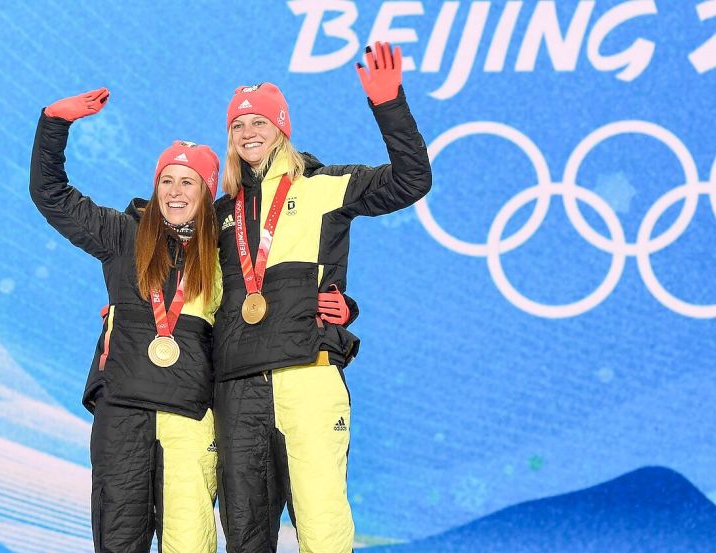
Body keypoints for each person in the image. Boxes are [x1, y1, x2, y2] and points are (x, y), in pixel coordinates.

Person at [213, 42, 432, 551]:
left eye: (259, 123)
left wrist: (389, 104)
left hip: (307, 376)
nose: (249, 133)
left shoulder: (325, 186)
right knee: (245, 535)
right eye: (238, 126)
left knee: (322, 527)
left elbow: (411, 180)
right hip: (239, 387)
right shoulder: (220, 214)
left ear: (281, 128)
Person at [30, 88, 222, 553]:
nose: (175, 192)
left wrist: (341, 310)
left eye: (188, 182)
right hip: (123, 414)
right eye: (167, 181)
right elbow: (50, 194)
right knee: (118, 541)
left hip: (193, 417)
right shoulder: (123, 234)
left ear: (208, 191)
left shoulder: (228, 255)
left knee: (191, 544)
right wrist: (55, 123)